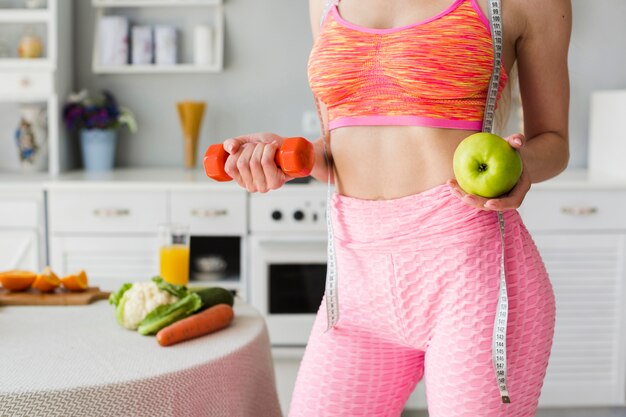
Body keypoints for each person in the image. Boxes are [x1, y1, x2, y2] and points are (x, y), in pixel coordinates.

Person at [222, 0, 571, 415]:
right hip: (357, 284)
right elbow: (340, 145)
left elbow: (552, 139)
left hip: (473, 278)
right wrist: (283, 156)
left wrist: (522, 165)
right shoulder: (324, 3)